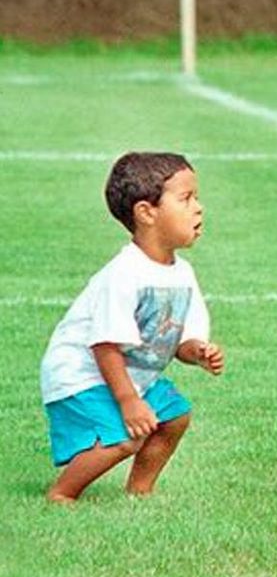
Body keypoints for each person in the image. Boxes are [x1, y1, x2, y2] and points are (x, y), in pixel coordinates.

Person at [40, 152, 224, 503]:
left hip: (129, 374)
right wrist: (128, 402)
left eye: (196, 198)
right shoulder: (124, 274)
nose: (199, 208)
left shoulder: (182, 274)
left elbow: (180, 340)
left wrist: (198, 351)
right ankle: (62, 494)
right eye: (186, 199)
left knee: (175, 417)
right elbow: (105, 344)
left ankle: (139, 493)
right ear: (146, 212)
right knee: (126, 437)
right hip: (82, 374)